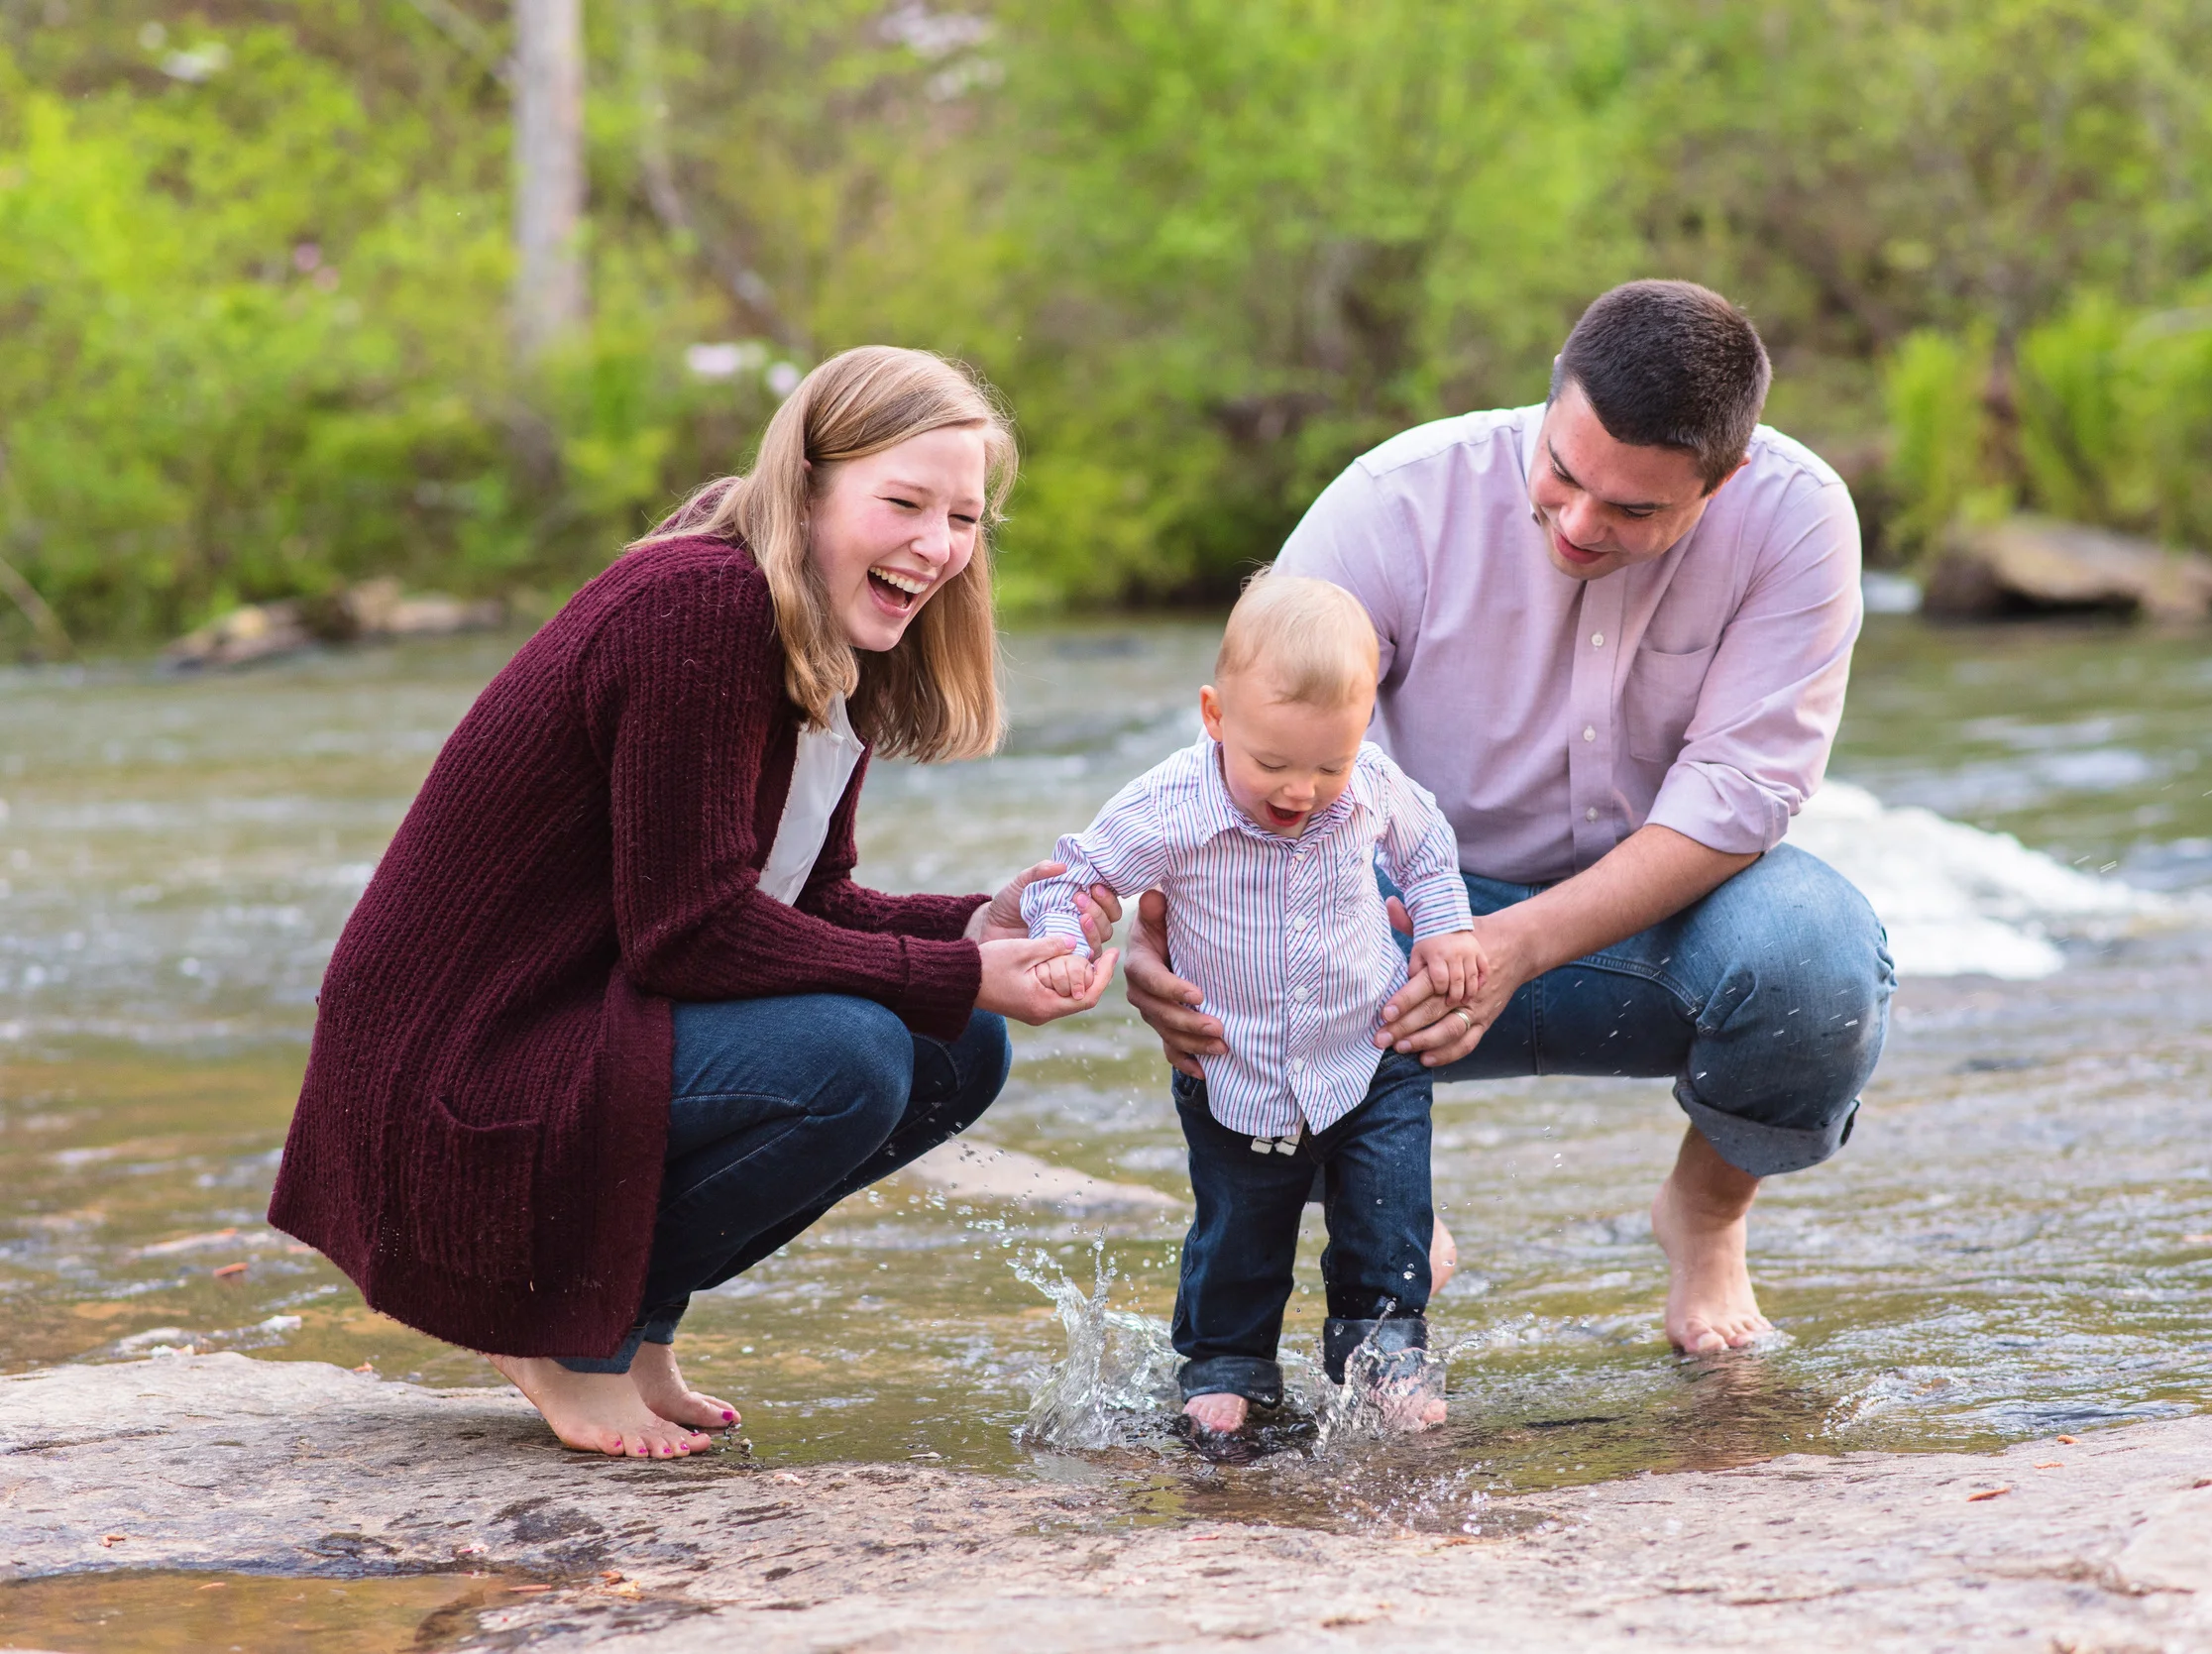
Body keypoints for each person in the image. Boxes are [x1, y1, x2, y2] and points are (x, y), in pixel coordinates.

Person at [269, 347, 1121, 1459]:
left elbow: (804, 899)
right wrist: (952, 968)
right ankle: (562, 1335)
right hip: (463, 1065)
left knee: (965, 1042)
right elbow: (692, 933)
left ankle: (634, 1326)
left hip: (582, 1021)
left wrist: (971, 926)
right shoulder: (701, 607)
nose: (937, 546)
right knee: (855, 1056)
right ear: (806, 485)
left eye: (964, 518)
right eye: (903, 502)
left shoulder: (824, 629)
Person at [1126, 279, 1897, 1356]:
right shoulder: (1395, 499)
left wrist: (1516, 945)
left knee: (1821, 961)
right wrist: (1162, 923)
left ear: (1723, 481)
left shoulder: (1796, 518)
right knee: (1234, 935)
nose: (1579, 524)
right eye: (1563, 474)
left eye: (1633, 512)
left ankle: (1707, 1219)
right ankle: (1378, 1188)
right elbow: (1245, 752)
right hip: (1391, 929)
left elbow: (1740, 796)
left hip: (1654, 931)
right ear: (1548, 403)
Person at [1022, 576, 1483, 1434]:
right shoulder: (1171, 804)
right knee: (1240, 1223)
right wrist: (1065, 940)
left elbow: (1428, 849)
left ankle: (1383, 1353)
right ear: (1215, 715)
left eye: (1328, 764)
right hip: (1236, 1062)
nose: (1301, 789)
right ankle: (1227, 1362)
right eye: (1272, 763)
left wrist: (1447, 928)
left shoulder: (1371, 783)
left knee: (1387, 1210)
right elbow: (1081, 874)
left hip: (1369, 1049)